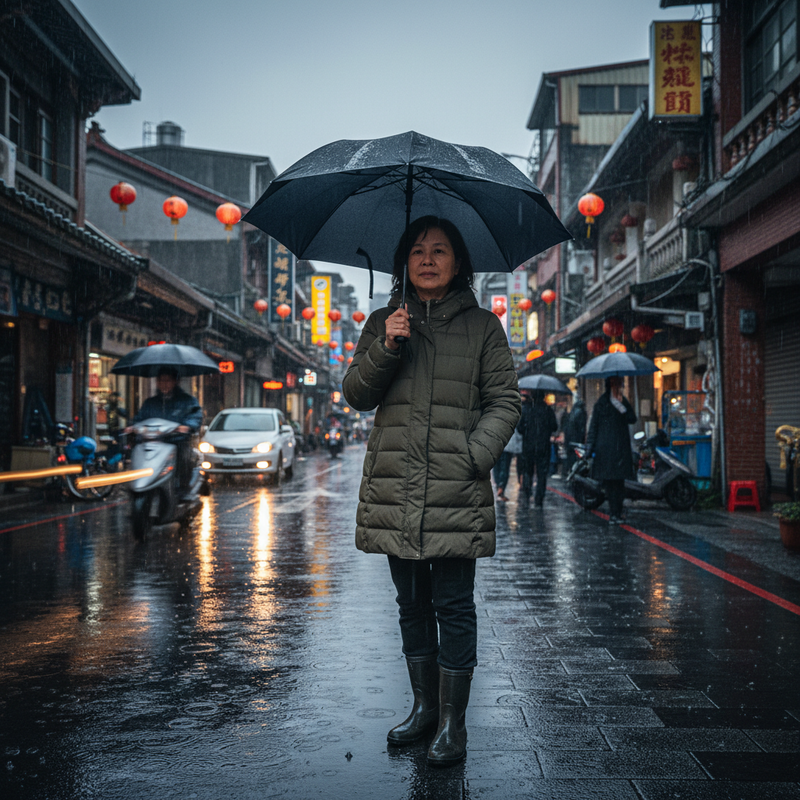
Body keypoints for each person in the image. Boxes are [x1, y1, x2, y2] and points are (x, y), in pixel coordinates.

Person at [342, 215, 520, 767]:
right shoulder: (383, 322)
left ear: (458, 262)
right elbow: (356, 394)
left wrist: (474, 456)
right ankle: (422, 709)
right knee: (411, 604)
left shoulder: (484, 327)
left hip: (453, 493)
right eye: (417, 250)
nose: (427, 258)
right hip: (396, 491)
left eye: (439, 250)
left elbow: (506, 401)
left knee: (453, 605)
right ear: (404, 262)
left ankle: (452, 723)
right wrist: (387, 346)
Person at [129, 367, 203, 499]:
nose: (164, 384)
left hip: (177, 442)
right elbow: (140, 418)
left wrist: (186, 427)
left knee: (184, 458)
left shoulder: (187, 401)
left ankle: (183, 489)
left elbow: (195, 417)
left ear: (176, 381)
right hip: (153, 443)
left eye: (167, 380)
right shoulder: (150, 403)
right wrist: (132, 427)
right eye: (160, 380)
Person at [585, 376, 637, 524]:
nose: (619, 387)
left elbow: (632, 418)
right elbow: (594, 426)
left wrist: (623, 407)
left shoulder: (622, 401)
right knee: (610, 484)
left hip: (619, 449)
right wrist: (590, 448)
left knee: (619, 483)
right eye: (617, 384)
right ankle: (614, 514)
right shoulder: (602, 403)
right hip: (606, 449)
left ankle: (616, 513)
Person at [517, 389, 557, 507]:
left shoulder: (526, 409)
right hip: (543, 446)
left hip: (528, 446)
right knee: (541, 474)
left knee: (527, 471)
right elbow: (554, 427)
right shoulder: (548, 410)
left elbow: (519, 429)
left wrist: (528, 432)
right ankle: (539, 499)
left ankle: (527, 492)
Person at [493, 426, 523, 501]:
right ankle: (501, 486)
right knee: (505, 466)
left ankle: (498, 483)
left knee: (496, 465)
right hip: (508, 443)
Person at [563, 395, 587, 475]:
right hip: (576, 439)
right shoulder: (581, 413)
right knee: (576, 457)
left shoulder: (572, 413)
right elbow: (581, 429)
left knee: (570, 457)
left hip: (569, 439)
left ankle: (569, 471)